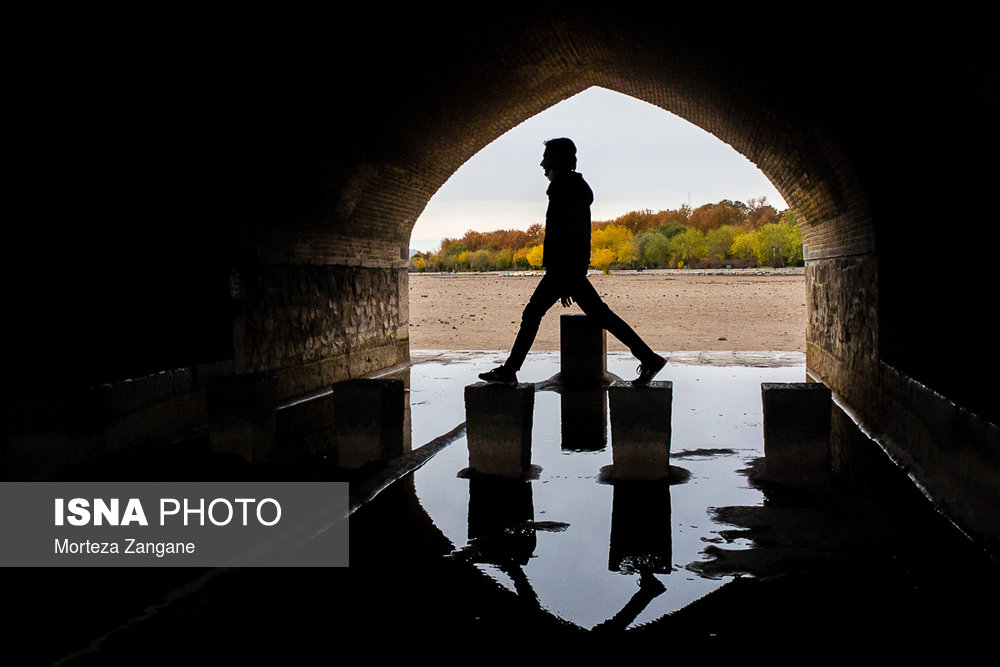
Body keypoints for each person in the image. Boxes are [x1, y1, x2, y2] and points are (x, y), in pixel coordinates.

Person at [479, 137, 666, 385]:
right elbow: (576, 235)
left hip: (564, 270)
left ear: (557, 159)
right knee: (601, 316)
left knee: (533, 314)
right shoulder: (571, 188)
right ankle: (649, 358)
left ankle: (510, 371)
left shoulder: (563, 188)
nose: (541, 163)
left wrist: (565, 276)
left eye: (546, 157)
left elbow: (567, 235)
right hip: (568, 270)